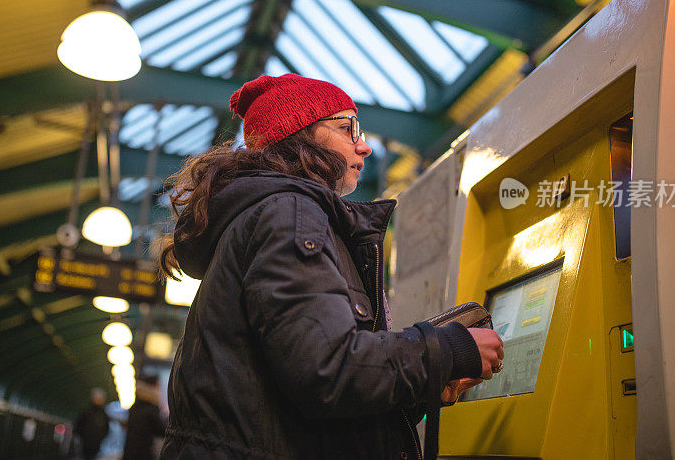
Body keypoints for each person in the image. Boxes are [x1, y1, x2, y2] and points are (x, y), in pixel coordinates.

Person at [158, 74, 504, 459]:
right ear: (299, 136)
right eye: (347, 128)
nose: (364, 146)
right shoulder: (288, 213)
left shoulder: (268, 215)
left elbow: (305, 402)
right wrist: (446, 350)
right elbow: (326, 369)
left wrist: (425, 383)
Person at [122, 374, 166, 460]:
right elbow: (162, 430)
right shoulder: (149, 408)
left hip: (131, 453)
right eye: (158, 385)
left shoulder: (137, 406)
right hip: (142, 454)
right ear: (152, 387)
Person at [75, 388, 110, 460]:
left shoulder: (104, 413)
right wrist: (82, 436)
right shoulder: (87, 412)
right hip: (85, 443)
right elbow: (78, 425)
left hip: (96, 444)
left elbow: (107, 428)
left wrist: (100, 438)